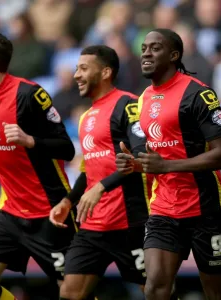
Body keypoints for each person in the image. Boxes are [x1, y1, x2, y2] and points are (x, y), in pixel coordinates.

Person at [116, 29, 221, 300]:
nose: (146, 52)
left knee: (217, 295)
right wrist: (138, 165)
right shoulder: (144, 98)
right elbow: (159, 153)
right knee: (155, 288)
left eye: (155, 48)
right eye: (144, 47)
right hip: (164, 209)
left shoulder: (199, 94)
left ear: (174, 55)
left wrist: (166, 166)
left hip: (207, 208)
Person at [49, 45, 179, 300]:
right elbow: (91, 170)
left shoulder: (128, 105)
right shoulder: (86, 116)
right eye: (76, 69)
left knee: (157, 294)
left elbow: (140, 156)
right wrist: (68, 200)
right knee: (70, 294)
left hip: (130, 223)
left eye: (84, 68)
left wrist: (101, 188)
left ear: (106, 72)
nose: (76, 75)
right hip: (93, 225)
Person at [0, 31, 76, 300]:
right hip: (10, 211)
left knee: (73, 292)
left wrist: (30, 140)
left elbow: (66, 147)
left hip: (50, 211)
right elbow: (2, 141)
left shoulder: (29, 94)